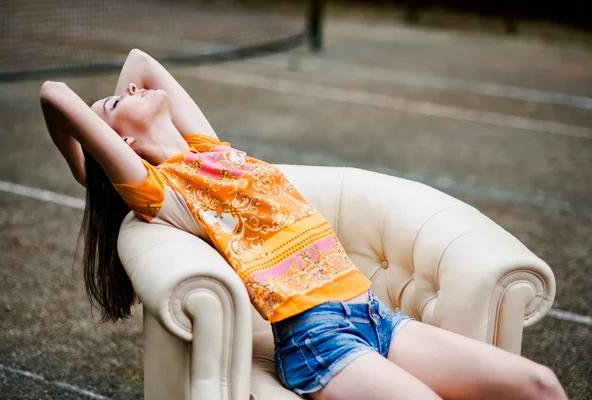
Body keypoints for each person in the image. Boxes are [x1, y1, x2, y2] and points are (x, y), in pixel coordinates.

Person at [40, 49, 567, 400]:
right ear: (123, 149)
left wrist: (117, 111)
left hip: (374, 316)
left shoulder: (208, 150)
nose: (132, 89)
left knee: (540, 385)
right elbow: (54, 95)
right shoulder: (164, 192)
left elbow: (140, 62)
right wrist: (90, 161)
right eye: (116, 101)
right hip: (318, 340)